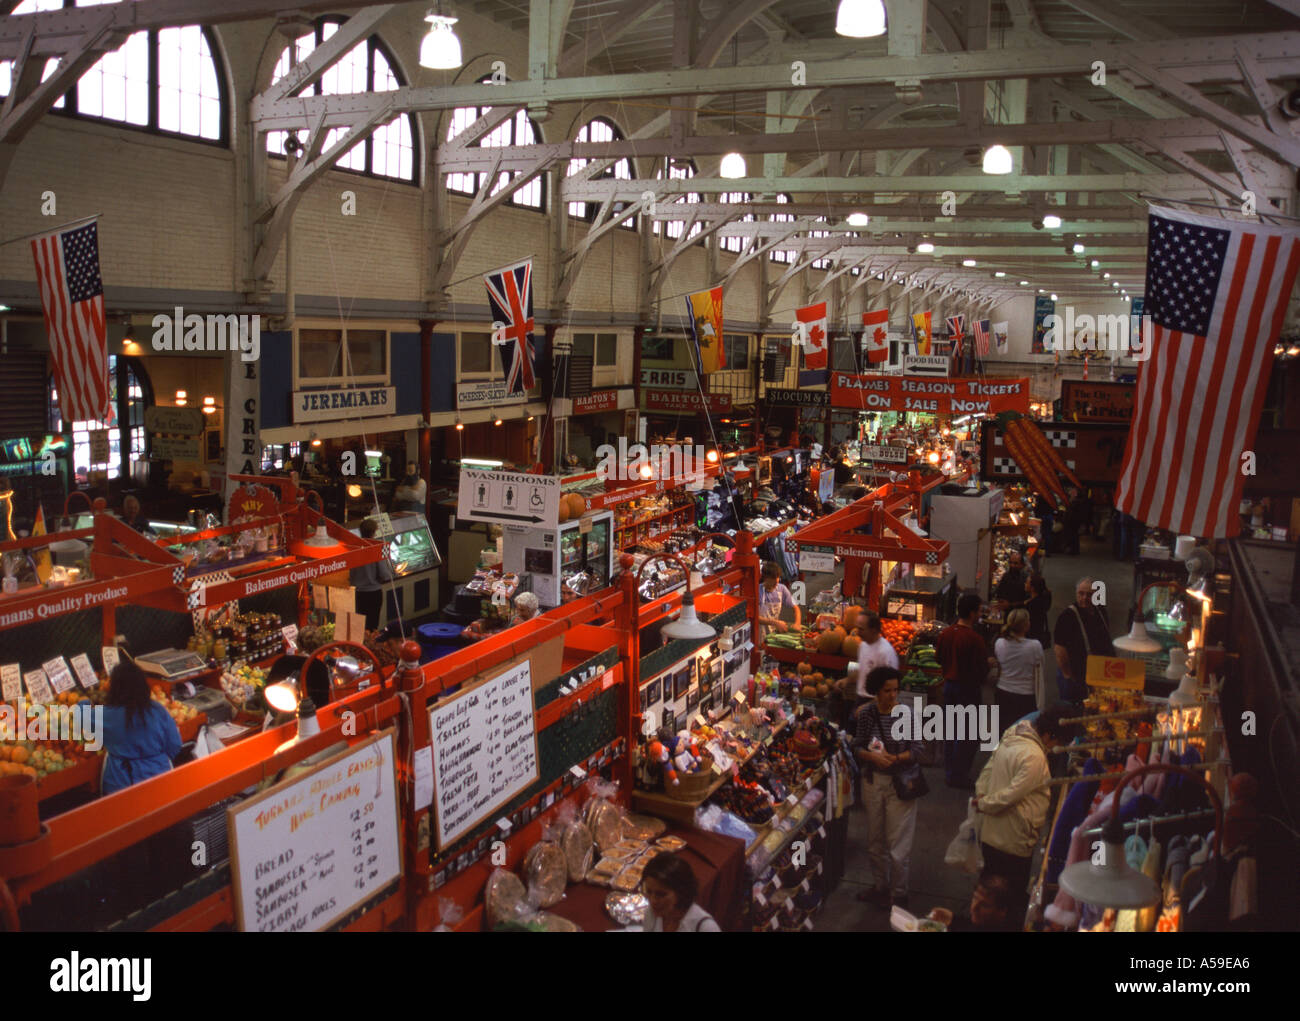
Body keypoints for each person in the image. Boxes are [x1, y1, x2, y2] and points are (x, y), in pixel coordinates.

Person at [973, 704, 1078, 927]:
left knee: (989, 888)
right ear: (1050, 735)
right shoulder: (1035, 757)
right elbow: (1011, 796)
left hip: (993, 834)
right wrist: (985, 803)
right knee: (1006, 899)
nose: (1056, 748)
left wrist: (981, 793)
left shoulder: (1015, 733)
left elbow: (990, 767)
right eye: (1058, 741)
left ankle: (981, 921)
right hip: (1012, 840)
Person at [851, 666, 923, 908]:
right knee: (875, 840)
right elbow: (857, 746)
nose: (893, 695)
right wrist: (872, 758)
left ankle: (899, 894)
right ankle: (880, 886)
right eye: (887, 690)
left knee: (898, 845)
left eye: (896, 690)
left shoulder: (907, 715)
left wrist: (896, 758)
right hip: (873, 783)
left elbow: (917, 750)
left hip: (900, 785)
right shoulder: (867, 714)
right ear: (876, 692)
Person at [83, 660, 182, 796]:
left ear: (114, 688)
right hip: (159, 780)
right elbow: (175, 744)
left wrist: (84, 701)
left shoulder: (107, 715)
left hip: (121, 784)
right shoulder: (157, 710)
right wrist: (155, 760)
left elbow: (82, 715)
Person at [935, 592, 990, 789]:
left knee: (951, 730)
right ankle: (959, 773)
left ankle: (950, 771)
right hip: (968, 689)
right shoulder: (975, 639)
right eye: (979, 611)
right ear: (973, 613)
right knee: (969, 734)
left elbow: (939, 659)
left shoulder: (946, 633)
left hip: (949, 687)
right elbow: (982, 669)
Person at [1052, 576, 1114, 703]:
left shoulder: (1101, 612)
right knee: (1073, 712)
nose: (1085, 598)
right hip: (1075, 678)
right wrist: (1068, 677)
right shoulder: (1067, 617)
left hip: (1098, 675)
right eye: (1081, 593)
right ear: (1076, 593)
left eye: (1089, 594)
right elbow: (1059, 651)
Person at [640, 853, 720, 931]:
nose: (653, 900)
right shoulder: (650, 914)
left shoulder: (706, 927)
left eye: (661, 894)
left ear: (681, 892)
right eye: (648, 891)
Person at [994, 609, 1040, 725]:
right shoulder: (1034, 646)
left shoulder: (999, 643)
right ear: (1026, 625)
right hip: (1025, 696)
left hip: (1003, 693)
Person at [351, 518, 398, 630]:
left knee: (360, 625)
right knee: (372, 624)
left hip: (358, 593)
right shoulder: (376, 549)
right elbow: (385, 575)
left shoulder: (354, 548)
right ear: (374, 532)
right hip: (373, 593)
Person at [929, 872, 1016, 932]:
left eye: (985, 905)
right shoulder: (984, 923)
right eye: (975, 898)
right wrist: (953, 919)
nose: (974, 907)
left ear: (1002, 912)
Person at [853, 612, 899, 704]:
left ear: (873, 630)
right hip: (860, 698)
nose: (857, 632)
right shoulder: (863, 645)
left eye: (861, 629)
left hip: (875, 704)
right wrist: (847, 680)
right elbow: (864, 670)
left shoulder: (886, 652)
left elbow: (891, 689)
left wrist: (868, 706)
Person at [757, 561, 801, 638]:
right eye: (773, 582)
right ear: (765, 578)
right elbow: (754, 617)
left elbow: (796, 608)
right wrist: (775, 622)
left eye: (777, 580)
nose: (776, 584)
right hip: (759, 634)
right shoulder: (757, 591)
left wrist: (797, 623)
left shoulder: (782, 589)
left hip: (774, 633)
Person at [1025, 572, 1052, 649]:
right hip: (1038, 635)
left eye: (1027, 583)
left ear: (1032, 588)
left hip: (1031, 637)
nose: (1025, 584)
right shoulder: (1042, 600)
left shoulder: (1032, 604)